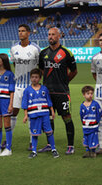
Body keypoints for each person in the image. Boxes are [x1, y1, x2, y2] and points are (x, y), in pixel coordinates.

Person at [38, 27, 77, 155]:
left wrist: (65, 82)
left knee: (67, 117)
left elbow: (74, 71)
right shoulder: (43, 53)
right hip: (47, 92)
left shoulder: (66, 53)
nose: (50, 37)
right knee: (49, 118)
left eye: (53, 34)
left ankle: (70, 145)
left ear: (59, 36)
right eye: (49, 34)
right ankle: (50, 144)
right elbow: (42, 71)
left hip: (62, 92)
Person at [10, 24, 40, 149]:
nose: (20, 33)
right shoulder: (13, 48)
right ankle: (8, 140)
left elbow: (39, 67)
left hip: (30, 87)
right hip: (17, 86)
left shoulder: (35, 48)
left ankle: (32, 141)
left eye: (23, 31)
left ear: (28, 33)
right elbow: (15, 64)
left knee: (31, 113)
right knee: (13, 112)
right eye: (19, 31)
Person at [22, 68, 59, 159]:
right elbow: (25, 103)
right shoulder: (27, 90)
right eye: (33, 77)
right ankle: (34, 151)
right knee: (34, 134)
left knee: (49, 132)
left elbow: (48, 100)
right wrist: (26, 115)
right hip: (34, 115)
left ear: (40, 78)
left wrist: (52, 111)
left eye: (36, 77)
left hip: (45, 114)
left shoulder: (44, 89)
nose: (34, 79)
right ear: (30, 78)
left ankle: (53, 149)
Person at [80, 86, 102, 158]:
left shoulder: (95, 104)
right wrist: (83, 123)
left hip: (93, 126)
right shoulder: (82, 105)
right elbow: (81, 115)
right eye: (88, 93)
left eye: (91, 93)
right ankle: (87, 151)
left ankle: (93, 152)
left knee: (93, 137)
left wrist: (96, 122)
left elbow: (99, 113)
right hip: (86, 126)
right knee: (86, 137)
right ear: (84, 95)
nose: (90, 95)